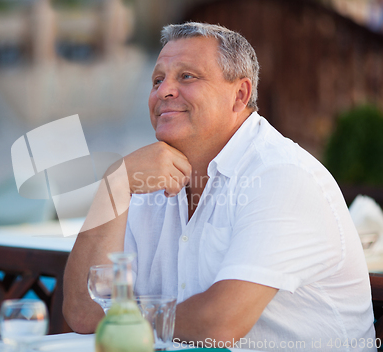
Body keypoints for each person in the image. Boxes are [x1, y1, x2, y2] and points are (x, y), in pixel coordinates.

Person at [63, 22, 375, 351]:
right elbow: (83, 312)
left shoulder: (282, 175)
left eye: (187, 76)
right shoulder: (144, 175)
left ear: (239, 95)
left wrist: (124, 323)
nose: (164, 91)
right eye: (157, 80)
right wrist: (114, 184)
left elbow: (219, 322)